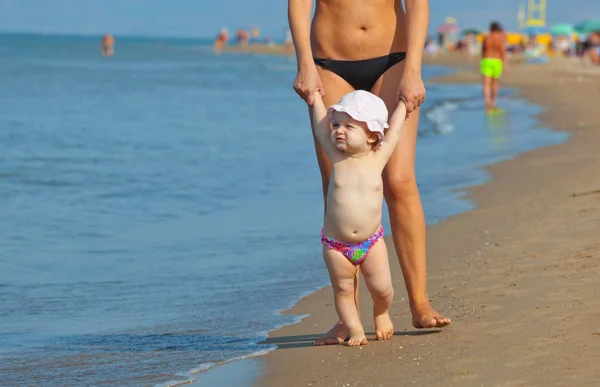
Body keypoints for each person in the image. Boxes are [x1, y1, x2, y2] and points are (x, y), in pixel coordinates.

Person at [288, 0, 451, 346]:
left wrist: (414, 68)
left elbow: (417, 4)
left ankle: (419, 303)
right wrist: (304, 62)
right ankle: (348, 317)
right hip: (328, 61)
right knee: (337, 183)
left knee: (399, 180)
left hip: (393, 58)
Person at [312, 89, 407, 346]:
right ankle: (354, 329)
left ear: (372, 135)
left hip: (371, 242)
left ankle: (381, 311)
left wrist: (403, 105)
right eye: (337, 125)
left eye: (349, 126)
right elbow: (321, 129)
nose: (338, 131)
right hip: (336, 245)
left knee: (382, 288)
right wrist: (315, 98)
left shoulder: (378, 158)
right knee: (342, 290)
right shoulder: (337, 158)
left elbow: (395, 131)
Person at [480, 21, 507, 109]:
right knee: (495, 83)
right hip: (497, 61)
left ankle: (487, 101)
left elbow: (483, 51)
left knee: (486, 84)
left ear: (490, 28)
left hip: (486, 60)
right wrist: (505, 63)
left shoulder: (486, 38)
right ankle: (493, 101)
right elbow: (502, 51)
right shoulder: (500, 38)